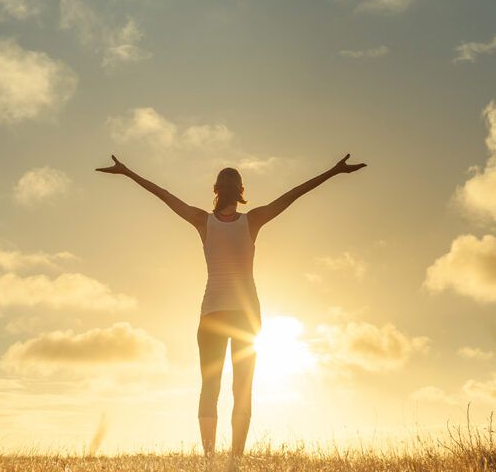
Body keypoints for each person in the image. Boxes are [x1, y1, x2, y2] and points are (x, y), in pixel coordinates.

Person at [96, 153, 366, 456]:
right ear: (239, 192)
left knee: (214, 387)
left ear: (218, 190)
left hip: (219, 315)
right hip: (240, 316)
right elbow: (292, 194)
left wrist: (128, 171)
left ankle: (216, 458)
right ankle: (229, 458)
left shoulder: (209, 221)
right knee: (237, 388)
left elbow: (165, 195)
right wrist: (333, 171)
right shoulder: (245, 220)